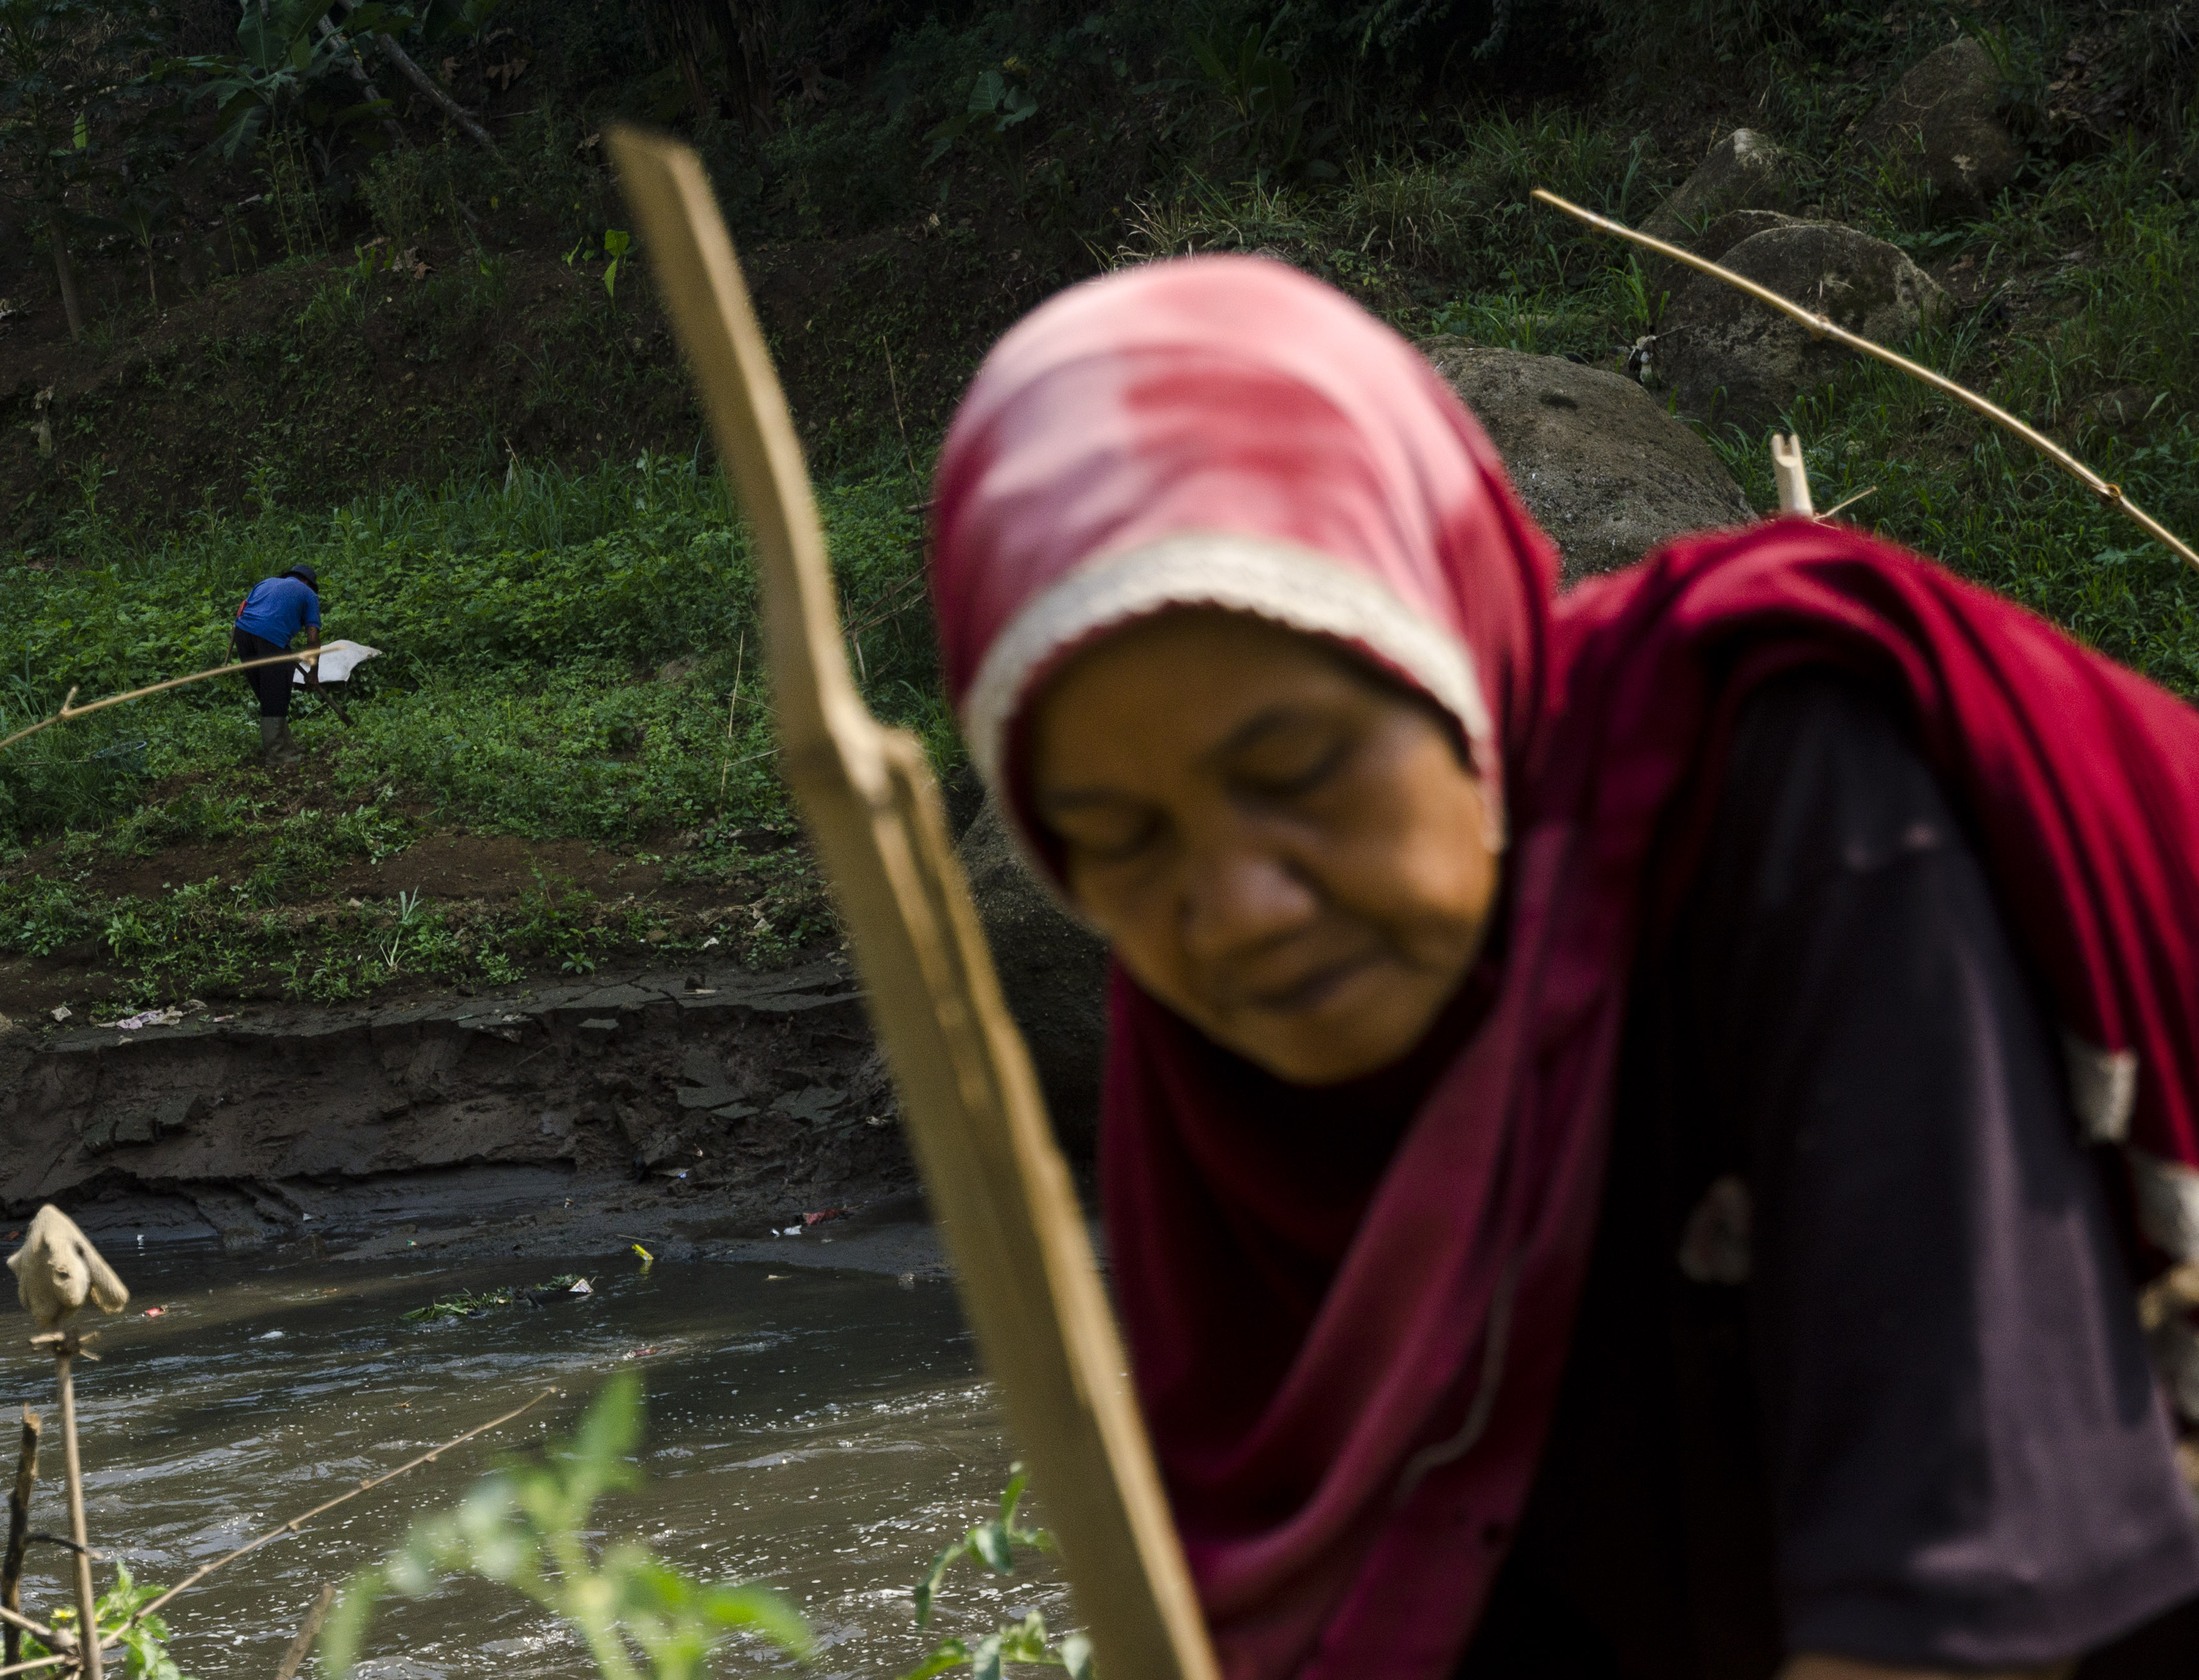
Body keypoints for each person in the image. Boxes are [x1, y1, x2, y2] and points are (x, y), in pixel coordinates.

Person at [927, 256, 2199, 1680]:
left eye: (1295, 772)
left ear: (1453, 671)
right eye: (1115, 840)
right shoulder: (1206, 1058)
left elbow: (1956, 1623)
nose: (1234, 910)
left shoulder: (1793, 805)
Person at [232, 563, 321, 763]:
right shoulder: (309, 595)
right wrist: (313, 672)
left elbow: (243, 610)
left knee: (268, 694)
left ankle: (285, 746)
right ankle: (278, 755)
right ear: (307, 582)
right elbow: (313, 638)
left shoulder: (266, 583)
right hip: (271, 637)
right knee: (276, 694)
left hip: (243, 634)